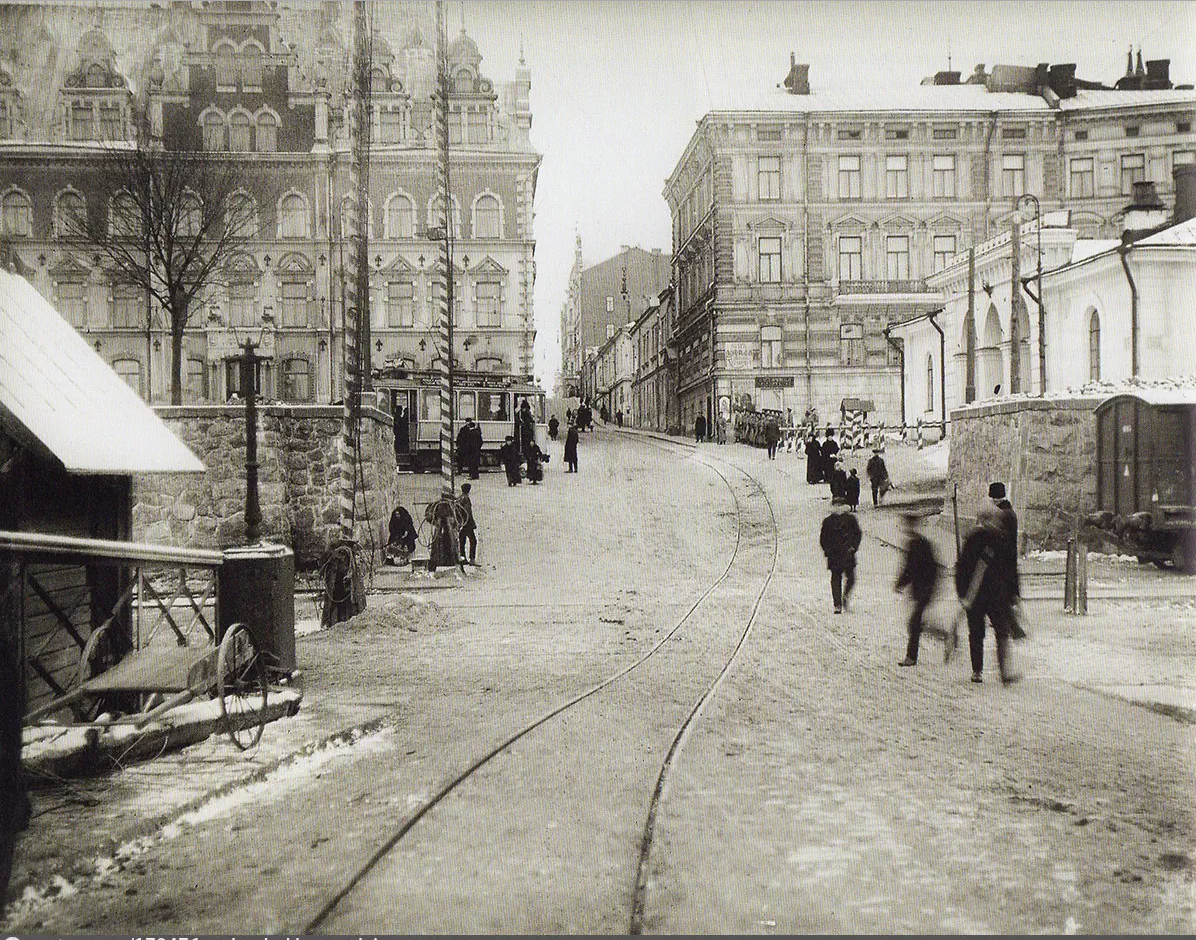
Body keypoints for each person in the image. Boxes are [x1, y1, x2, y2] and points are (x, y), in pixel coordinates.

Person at [955, 513, 1020, 684]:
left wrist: (962, 594)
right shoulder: (988, 539)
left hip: (982, 595)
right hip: (986, 595)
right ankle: (982, 671)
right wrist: (1014, 593)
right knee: (988, 632)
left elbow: (960, 568)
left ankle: (998, 672)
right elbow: (1011, 570)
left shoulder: (986, 539)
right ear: (986, 521)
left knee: (993, 632)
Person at [895, 512, 952, 666]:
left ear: (912, 526)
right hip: (925, 588)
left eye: (905, 524)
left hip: (925, 588)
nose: (903, 527)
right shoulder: (919, 542)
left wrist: (900, 584)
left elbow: (910, 568)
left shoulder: (917, 544)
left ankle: (911, 657)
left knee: (914, 623)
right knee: (917, 623)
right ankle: (946, 636)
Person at [820, 502, 861, 614]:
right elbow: (823, 538)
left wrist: (854, 547)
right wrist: (827, 551)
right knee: (836, 579)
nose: (838, 508)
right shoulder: (828, 521)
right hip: (835, 555)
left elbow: (857, 534)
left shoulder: (851, 519)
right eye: (836, 505)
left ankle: (845, 598)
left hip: (848, 553)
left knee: (851, 579)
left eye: (840, 505)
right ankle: (837, 604)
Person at [457, 483, 478, 565]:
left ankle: (463, 557)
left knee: (462, 541)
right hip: (467, 524)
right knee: (473, 541)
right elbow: (468, 512)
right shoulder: (466, 499)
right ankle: (472, 559)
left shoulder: (460, 498)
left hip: (462, 523)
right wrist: (471, 523)